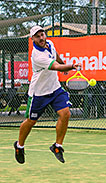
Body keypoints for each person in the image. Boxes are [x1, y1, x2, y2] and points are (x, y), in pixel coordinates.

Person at [13, 25, 81, 164]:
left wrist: (63, 63)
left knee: (65, 113)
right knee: (31, 122)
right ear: (32, 39)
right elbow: (55, 66)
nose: (41, 38)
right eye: (37, 36)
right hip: (38, 93)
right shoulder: (37, 56)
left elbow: (55, 56)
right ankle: (19, 146)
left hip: (54, 88)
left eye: (42, 35)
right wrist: (70, 66)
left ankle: (57, 146)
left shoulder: (49, 43)